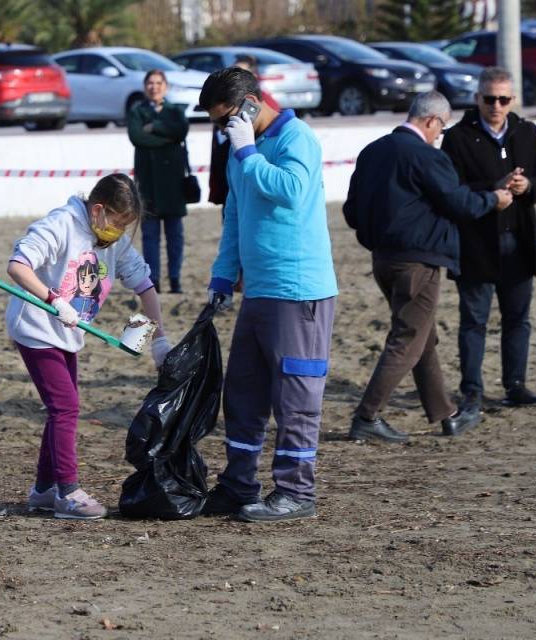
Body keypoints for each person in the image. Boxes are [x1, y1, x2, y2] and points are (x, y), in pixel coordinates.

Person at [195, 67, 337, 523]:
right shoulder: (240, 152)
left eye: (226, 118)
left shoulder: (297, 138)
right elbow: (235, 215)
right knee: (244, 391)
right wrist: (222, 275)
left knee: (295, 394)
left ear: (252, 102)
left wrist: (249, 152)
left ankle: (297, 490)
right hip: (258, 291)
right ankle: (238, 484)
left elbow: (293, 192)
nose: (223, 129)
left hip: (299, 292)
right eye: (218, 123)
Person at [344, 91, 513, 444]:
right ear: (432, 120)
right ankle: (367, 416)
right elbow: (458, 204)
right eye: (441, 127)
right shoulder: (425, 155)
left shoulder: (373, 151)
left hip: (383, 258)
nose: (440, 134)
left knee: (423, 335)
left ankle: (446, 413)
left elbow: (351, 210)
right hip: (419, 260)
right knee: (407, 337)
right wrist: (493, 200)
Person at [6, 174, 169, 520]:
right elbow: (18, 265)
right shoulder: (61, 225)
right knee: (66, 407)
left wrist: (158, 339)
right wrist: (53, 299)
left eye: (126, 227)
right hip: (36, 326)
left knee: (61, 408)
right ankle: (68, 492)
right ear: (99, 210)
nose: (118, 233)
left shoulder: (114, 242)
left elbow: (144, 286)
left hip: (69, 332)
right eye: (117, 223)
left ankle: (43, 490)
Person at [441, 67, 536, 414]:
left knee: (517, 319)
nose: (496, 105)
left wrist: (528, 187)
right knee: (474, 321)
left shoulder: (527, 132)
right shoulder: (457, 138)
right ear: (477, 98)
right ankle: (472, 390)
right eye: (489, 98)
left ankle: (515, 385)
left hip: (519, 242)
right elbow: (450, 190)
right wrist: (494, 188)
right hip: (476, 244)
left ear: (513, 100)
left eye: (503, 99)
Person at [128, 70, 190, 293]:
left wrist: (154, 128)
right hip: (148, 184)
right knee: (150, 237)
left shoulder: (175, 111)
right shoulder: (137, 111)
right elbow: (137, 137)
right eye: (150, 83)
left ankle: (175, 279)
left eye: (158, 83)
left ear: (165, 86)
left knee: (175, 237)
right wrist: (167, 138)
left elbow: (181, 130)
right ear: (145, 86)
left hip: (173, 184)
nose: (154, 87)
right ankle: (153, 280)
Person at [209, 56, 280, 213]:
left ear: (253, 77)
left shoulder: (269, 109)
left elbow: (289, 192)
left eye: (242, 73)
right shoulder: (225, 107)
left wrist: (247, 151)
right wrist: (216, 190)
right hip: (232, 188)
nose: (223, 128)